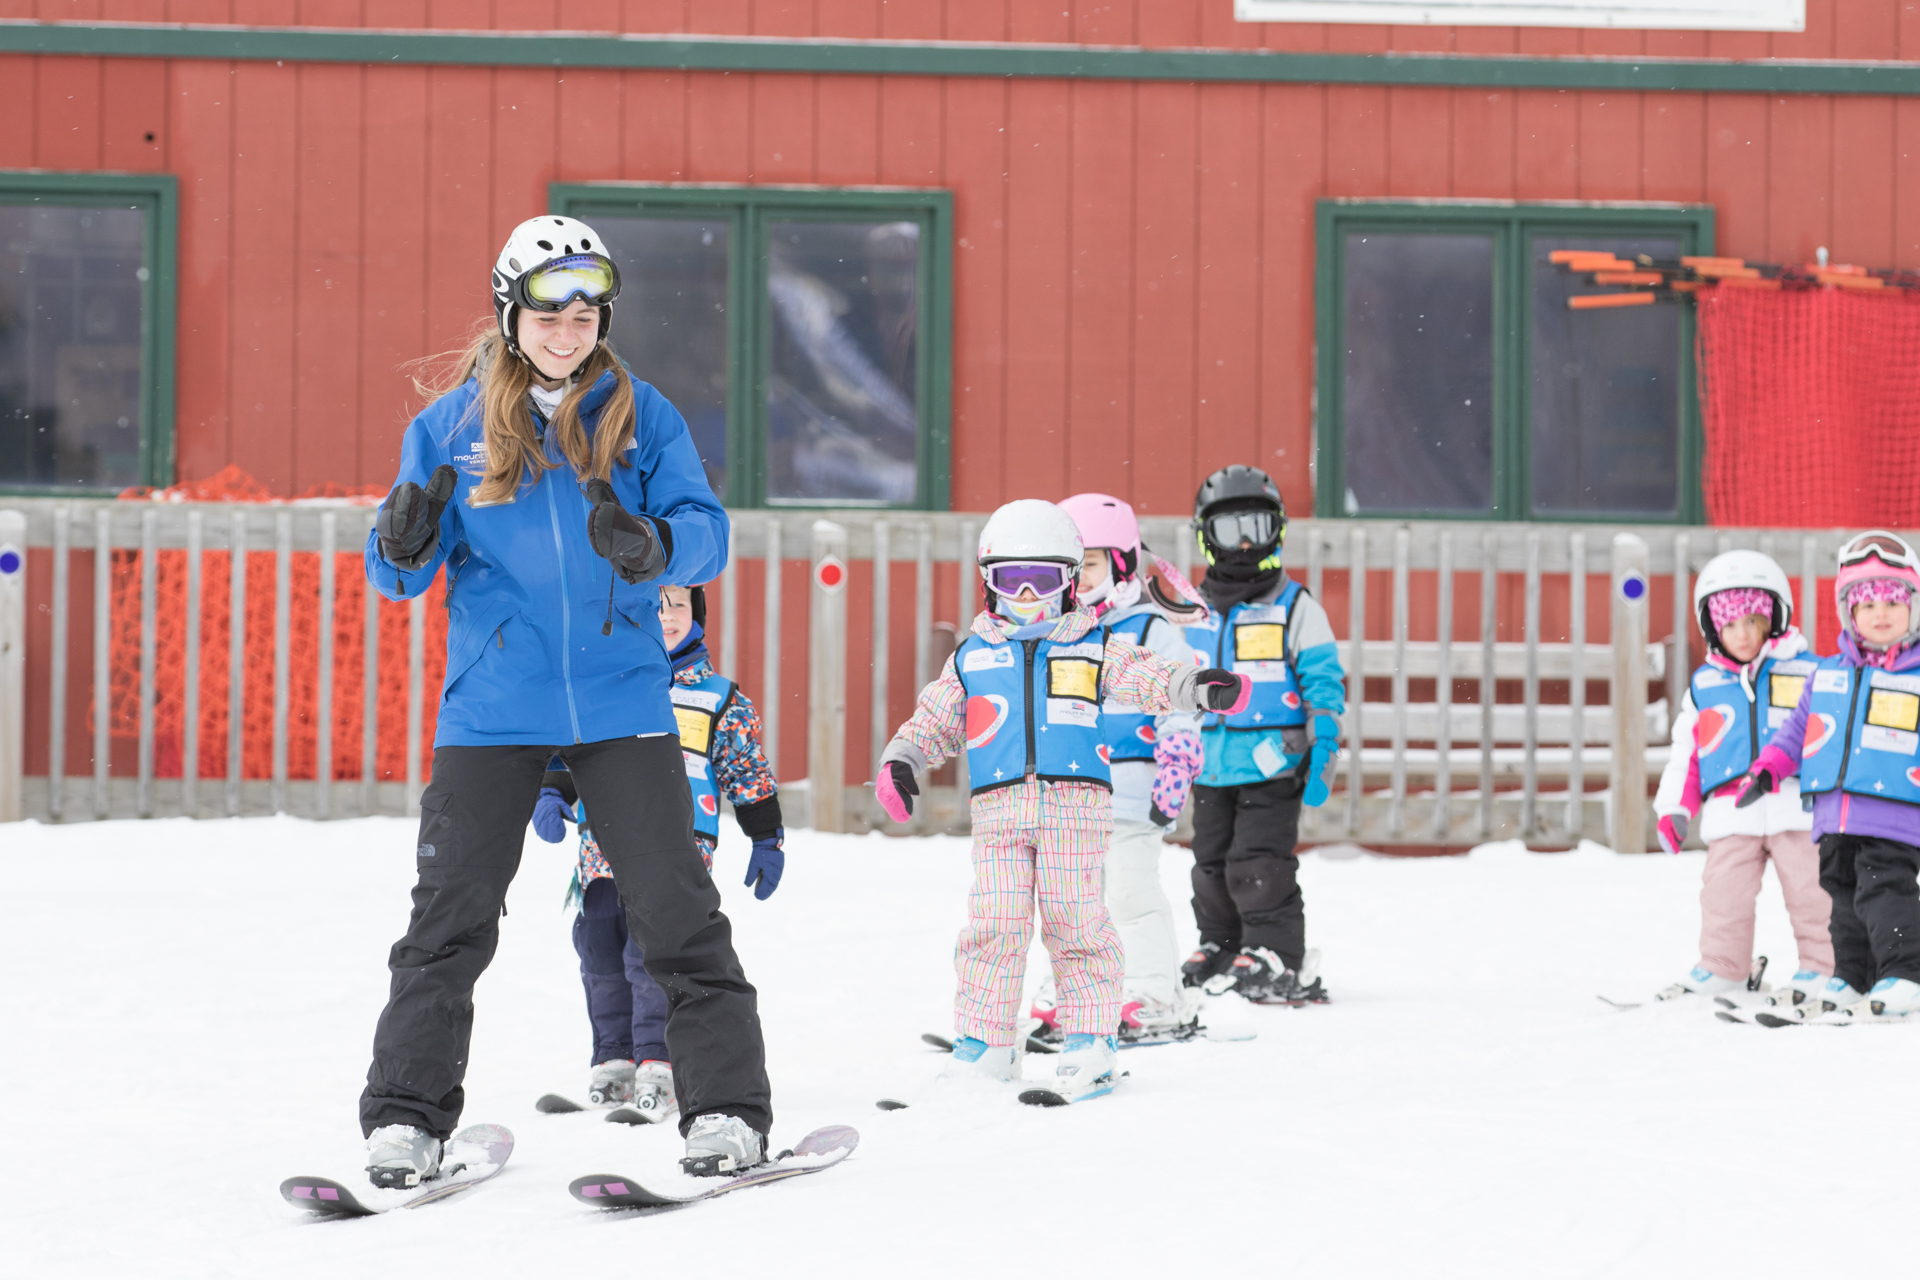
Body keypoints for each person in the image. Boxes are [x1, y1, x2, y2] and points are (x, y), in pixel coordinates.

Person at [359, 214, 772, 1187]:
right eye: (550, 312)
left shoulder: (643, 415)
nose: (569, 329)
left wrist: (658, 548)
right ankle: (405, 1121)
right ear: (512, 314)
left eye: (586, 312)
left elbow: (707, 531)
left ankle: (725, 1111)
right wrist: (403, 539)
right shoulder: (450, 428)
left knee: (676, 912)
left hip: (625, 707)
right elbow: (395, 578)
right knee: (448, 920)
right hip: (491, 714)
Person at [870, 499, 1251, 1103]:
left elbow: (1144, 674)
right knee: (993, 926)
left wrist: (1193, 687)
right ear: (988, 580)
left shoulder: (1091, 647)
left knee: (1076, 923)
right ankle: (986, 1044)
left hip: (1075, 807)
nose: (1025, 593)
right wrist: (902, 759)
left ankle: (1089, 1040)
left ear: (1069, 581)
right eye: (1010, 579)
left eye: (1042, 579)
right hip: (998, 811)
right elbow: (934, 717)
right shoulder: (972, 656)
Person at [533, 584, 784, 1120]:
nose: (666, 617)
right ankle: (614, 1058)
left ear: (697, 615)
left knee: (650, 953)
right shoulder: (603, 687)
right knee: (600, 944)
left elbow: (748, 773)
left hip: (678, 846)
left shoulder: (719, 699)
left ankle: (659, 1062)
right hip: (603, 846)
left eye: (679, 606)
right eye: (654, 605)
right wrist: (553, 792)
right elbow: (569, 748)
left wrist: (766, 837)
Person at [1026, 493, 1206, 1043]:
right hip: (1069, 795)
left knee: (1129, 892)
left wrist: (1179, 758)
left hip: (1132, 791)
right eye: (1071, 567)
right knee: (1072, 900)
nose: (1080, 579)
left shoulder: (1150, 631)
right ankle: (1077, 994)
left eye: (1094, 564)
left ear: (1124, 564)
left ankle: (1154, 994)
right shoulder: (1053, 634)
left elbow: (1184, 695)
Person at [1735, 531, 1920, 1022]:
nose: (1880, 613)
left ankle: (1905, 974)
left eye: (1892, 602)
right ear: (1848, 614)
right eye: (1866, 604)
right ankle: (1852, 977)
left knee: (1884, 892)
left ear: (1913, 608)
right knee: (1841, 899)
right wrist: (1768, 767)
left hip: (1894, 813)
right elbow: (1796, 731)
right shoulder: (1827, 673)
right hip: (1834, 814)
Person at [1180, 466, 1345, 1003]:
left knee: (1258, 862)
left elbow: (1324, 683)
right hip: (1207, 762)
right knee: (1209, 864)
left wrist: (1324, 743)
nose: (1246, 542)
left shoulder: (1295, 607)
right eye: (1230, 529)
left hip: (1275, 762)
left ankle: (1274, 952)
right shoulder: (1187, 612)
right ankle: (1222, 945)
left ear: (1277, 531)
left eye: (1257, 526)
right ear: (1207, 536)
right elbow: (1165, 680)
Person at [1650, 551, 1831, 1007]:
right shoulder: (1704, 686)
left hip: (1796, 807)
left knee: (1814, 894)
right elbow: (1686, 754)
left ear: (1775, 616)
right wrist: (1674, 807)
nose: (1744, 634)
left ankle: (1825, 967)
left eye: (1754, 620)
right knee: (1723, 897)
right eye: (1731, 625)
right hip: (1731, 813)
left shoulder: (1810, 671)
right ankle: (1723, 967)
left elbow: (1832, 735)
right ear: (1714, 629)